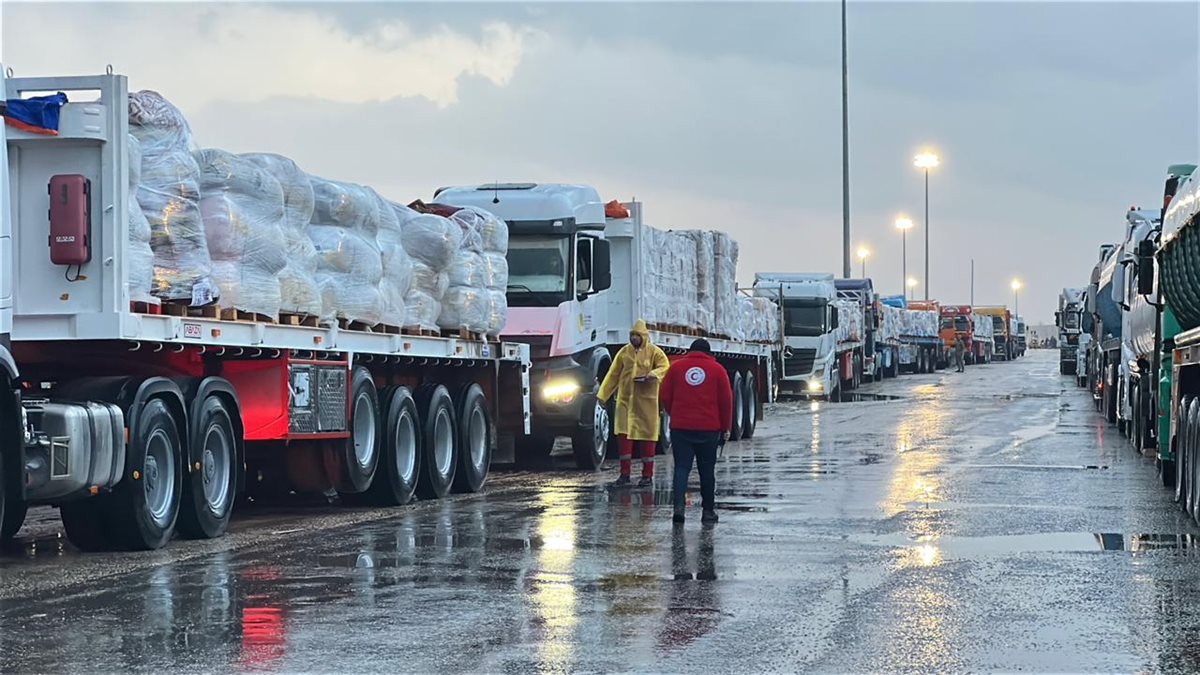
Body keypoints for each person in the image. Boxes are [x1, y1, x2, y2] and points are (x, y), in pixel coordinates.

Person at [660, 338, 733, 524]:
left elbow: (665, 396)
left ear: (689, 351)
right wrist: (726, 427)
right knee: (707, 470)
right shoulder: (718, 370)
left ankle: (678, 509)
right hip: (709, 429)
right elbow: (726, 402)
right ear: (708, 353)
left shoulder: (675, 368)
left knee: (682, 468)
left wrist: (674, 413)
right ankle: (708, 511)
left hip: (681, 428)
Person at [598, 319, 670, 488]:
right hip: (625, 401)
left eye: (637, 336)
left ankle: (647, 475)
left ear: (644, 336)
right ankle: (624, 474)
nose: (634, 339)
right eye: (632, 335)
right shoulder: (624, 352)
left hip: (647, 402)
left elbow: (665, 366)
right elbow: (613, 374)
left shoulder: (654, 352)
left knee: (647, 437)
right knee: (623, 436)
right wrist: (603, 396)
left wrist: (652, 375)